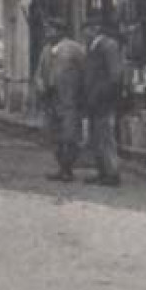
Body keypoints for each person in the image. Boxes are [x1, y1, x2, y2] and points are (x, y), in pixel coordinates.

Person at [35, 19, 87, 182]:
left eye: (50, 30)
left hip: (69, 99)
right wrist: (41, 85)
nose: (47, 33)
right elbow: (38, 73)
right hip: (51, 100)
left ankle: (68, 168)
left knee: (70, 136)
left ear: (60, 31)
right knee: (54, 135)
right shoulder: (45, 50)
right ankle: (61, 167)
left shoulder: (74, 49)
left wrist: (81, 93)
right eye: (46, 30)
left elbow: (85, 71)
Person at [83, 17, 127, 187]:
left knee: (106, 137)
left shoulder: (108, 46)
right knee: (97, 137)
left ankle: (112, 173)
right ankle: (102, 172)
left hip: (103, 101)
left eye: (86, 30)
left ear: (95, 28)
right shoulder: (94, 47)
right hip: (94, 100)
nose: (85, 34)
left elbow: (115, 75)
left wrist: (104, 95)